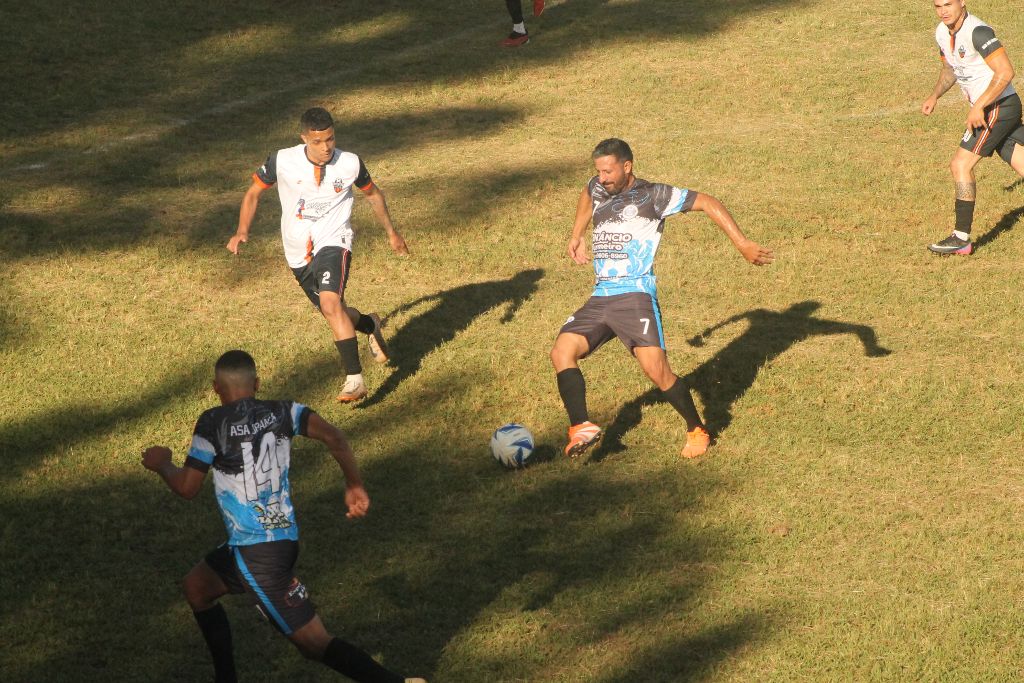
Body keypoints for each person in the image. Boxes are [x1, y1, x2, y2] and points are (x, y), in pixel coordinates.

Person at [141, 350, 425, 683]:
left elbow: (187, 487)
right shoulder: (285, 411)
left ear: (216, 387)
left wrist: (162, 464)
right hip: (274, 540)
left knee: (314, 644)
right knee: (197, 588)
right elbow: (334, 436)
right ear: (257, 384)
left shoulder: (212, 422)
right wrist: (354, 484)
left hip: (257, 554)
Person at [550, 138, 773, 459]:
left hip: (634, 296)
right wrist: (577, 234)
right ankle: (580, 426)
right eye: (599, 171)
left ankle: (697, 429)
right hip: (601, 296)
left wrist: (742, 243)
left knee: (657, 370)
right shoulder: (598, 186)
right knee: (561, 352)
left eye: (608, 171)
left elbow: (708, 202)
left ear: (627, 166)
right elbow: (587, 194)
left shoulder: (654, 195)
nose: (602, 178)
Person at [227, 107, 409, 402]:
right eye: (318, 141)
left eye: (330, 139)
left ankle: (355, 381)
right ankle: (369, 324)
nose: (326, 147)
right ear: (304, 139)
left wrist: (392, 233)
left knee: (330, 302)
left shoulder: (349, 163)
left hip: (335, 241)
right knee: (334, 312)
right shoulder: (282, 160)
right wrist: (242, 230)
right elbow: (253, 193)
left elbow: (373, 194)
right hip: (297, 253)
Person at [922, 0, 1024, 255]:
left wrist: (979, 106)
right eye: (938, 6)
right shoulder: (941, 32)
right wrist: (935, 95)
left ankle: (961, 238)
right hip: (993, 107)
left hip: (997, 107)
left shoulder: (978, 31)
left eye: (948, 4)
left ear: (962, 2)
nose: (943, 11)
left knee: (960, 165)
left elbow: (1005, 72)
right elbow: (950, 69)